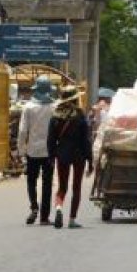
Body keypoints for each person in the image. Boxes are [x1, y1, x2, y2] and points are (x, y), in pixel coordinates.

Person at [47, 87, 93, 229]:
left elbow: (50, 139)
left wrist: (51, 156)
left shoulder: (55, 116)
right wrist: (90, 160)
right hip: (78, 155)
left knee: (62, 187)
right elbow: (86, 140)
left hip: (62, 154)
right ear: (74, 99)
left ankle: (59, 209)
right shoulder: (79, 115)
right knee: (76, 187)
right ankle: (72, 220)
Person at [18, 75, 56, 225]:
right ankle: (44, 217)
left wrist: (21, 152)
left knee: (31, 181)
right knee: (47, 183)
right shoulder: (54, 107)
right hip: (49, 152)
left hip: (32, 151)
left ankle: (34, 206)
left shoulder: (28, 107)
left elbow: (22, 131)